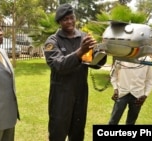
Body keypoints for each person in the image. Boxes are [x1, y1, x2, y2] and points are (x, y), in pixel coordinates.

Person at [44, 3, 107, 141]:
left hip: (80, 93)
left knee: (78, 132)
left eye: (71, 17)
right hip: (61, 95)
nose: (69, 21)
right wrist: (80, 51)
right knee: (58, 132)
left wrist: (103, 51)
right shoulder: (52, 41)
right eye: (65, 19)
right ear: (59, 22)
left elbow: (93, 64)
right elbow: (58, 65)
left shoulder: (84, 37)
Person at [108, 56, 152, 125]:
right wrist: (115, 88)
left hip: (138, 95)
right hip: (122, 93)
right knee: (113, 121)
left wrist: (145, 95)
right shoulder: (122, 57)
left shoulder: (147, 60)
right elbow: (113, 74)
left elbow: (150, 79)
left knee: (131, 123)